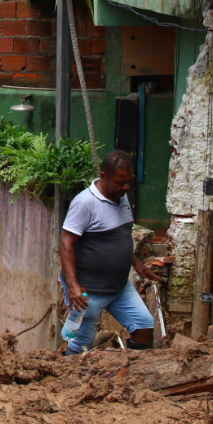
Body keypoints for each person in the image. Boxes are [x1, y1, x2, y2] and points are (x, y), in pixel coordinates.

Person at [59, 150, 161, 355]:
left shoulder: (121, 197)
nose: (126, 187)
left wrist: (136, 263)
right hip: (88, 291)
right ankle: (65, 381)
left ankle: (132, 377)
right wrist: (73, 286)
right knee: (81, 344)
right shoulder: (85, 203)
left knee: (144, 326)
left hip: (119, 287)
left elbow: (119, 238)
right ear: (104, 176)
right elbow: (66, 242)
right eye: (120, 182)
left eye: (128, 182)